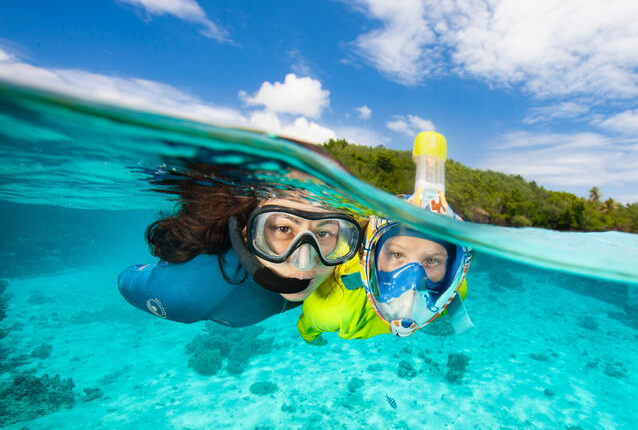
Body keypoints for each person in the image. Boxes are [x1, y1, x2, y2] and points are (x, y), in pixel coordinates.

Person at [118, 159, 361, 329]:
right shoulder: (188, 293)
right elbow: (126, 278)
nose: (305, 262)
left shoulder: (353, 260)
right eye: (283, 229)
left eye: (325, 233)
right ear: (246, 233)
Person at [297, 131, 472, 341]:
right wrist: (316, 341)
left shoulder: (454, 291)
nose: (412, 283)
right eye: (397, 255)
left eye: (432, 260)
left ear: (453, 269)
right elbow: (309, 332)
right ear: (367, 254)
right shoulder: (329, 308)